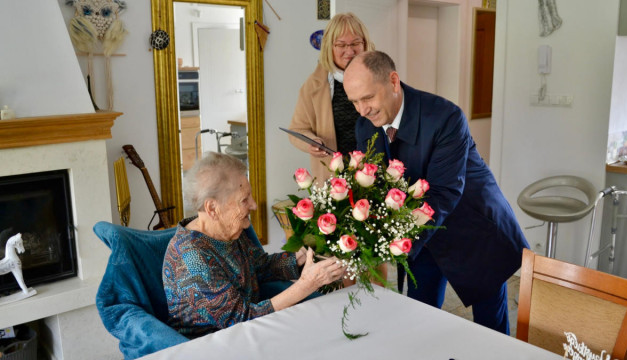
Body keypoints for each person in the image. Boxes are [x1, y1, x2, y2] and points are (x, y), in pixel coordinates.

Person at [343, 51, 530, 334]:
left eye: (367, 98)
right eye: (354, 102)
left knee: (490, 328)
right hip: (424, 237)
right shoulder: (364, 125)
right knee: (420, 317)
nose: (362, 110)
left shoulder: (445, 117)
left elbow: (444, 192)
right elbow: (376, 185)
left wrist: (397, 239)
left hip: (473, 227)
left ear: (393, 82)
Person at [163, 152, 345, 339]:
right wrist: (307, 284)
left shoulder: (226, 229)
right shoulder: (192, 258)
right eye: (244, 199)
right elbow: (241, 319)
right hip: (213, 346)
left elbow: (260, 266)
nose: (254, 205)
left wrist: (299, 260)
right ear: (212, 208)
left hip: (252, 333)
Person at [288, 12, 375, 183]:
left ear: (365, 44)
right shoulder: (314, 86)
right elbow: (297, 130)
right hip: (333, 179)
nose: (349, 51)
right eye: (341, 45)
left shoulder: (379, 78)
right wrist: (312, 142)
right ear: (329, 47)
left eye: (356, 43)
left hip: (374, 173)